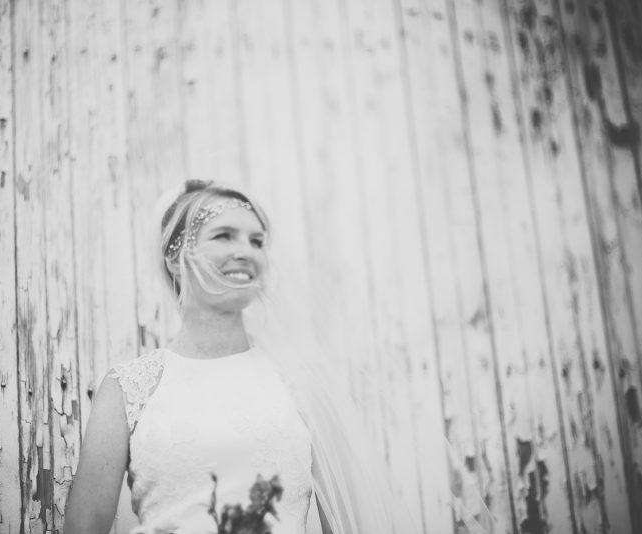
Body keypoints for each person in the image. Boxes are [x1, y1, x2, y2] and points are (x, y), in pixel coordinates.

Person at [64, 181, 399, 534]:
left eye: (257, 241)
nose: (246, 252)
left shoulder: (301, 385)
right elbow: (85, 525)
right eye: (223, 236)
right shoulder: (129, 388)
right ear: (175, 259)